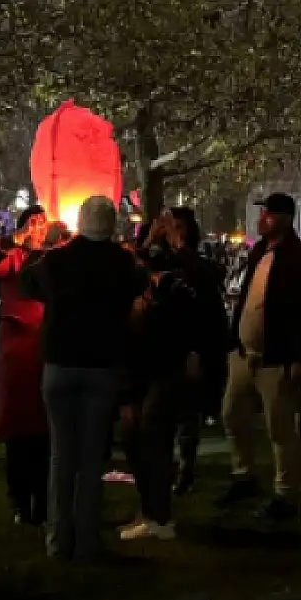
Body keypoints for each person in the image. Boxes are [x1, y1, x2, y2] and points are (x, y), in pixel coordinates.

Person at [20, 195, 148, 562]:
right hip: (102, 366)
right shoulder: (122, 263)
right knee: (92, 458)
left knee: (61, 454)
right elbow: (139, 283)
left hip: (60, 363)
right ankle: (88, 541)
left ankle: (58, 539)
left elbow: (29, 282)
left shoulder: (58, 260)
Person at [217, 192, 301, 523]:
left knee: (279, 428)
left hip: (275, 358)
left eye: (268, 215)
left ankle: (285, 494)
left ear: (284, 219)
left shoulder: (299, 259)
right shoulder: (260, 252)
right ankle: (244, 474)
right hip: (244, 353)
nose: (261, 220)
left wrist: (299, 357)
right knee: (232, 414)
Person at [120, 209, 217, 541]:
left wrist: (179, 246)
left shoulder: (192, 267)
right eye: (165, 225)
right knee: (133, 435)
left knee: (153, 430)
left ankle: (158, 515)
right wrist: (146, 242)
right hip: (139, 359)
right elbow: (129, 272)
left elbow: (205, 293)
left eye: (177, 227)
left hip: (172, 360)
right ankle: (148, 510)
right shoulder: (147, 260)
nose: (168, 231)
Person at [0, 205, 54, 526]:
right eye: (32, 224)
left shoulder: (54, 258)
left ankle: (43, 498)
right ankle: (20, 499)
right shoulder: (13, 258)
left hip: (47, 349)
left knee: (47, 430)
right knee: (18, 430)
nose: (38, 229)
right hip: (16, 351)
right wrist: (18, 238)